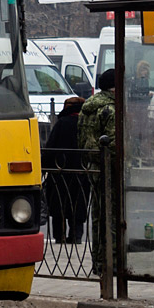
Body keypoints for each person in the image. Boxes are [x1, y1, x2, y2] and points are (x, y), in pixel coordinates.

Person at [78, 68, 116, 274]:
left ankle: (98, 262)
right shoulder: (109, 109)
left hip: (91, 165)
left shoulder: (89, 106)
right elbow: (114, 143)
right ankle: (112, 262)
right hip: (108, 168)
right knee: (111, 215)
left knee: (97, 215)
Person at [43, 96, 89, 243]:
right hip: (81, 171)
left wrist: (44, 167)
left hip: (60, 171)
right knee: (78, 203)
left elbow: (51, 147)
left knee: (59, 205)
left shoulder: (62, 123)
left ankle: (59, 236)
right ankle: (76, 236)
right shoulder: (86, 123)